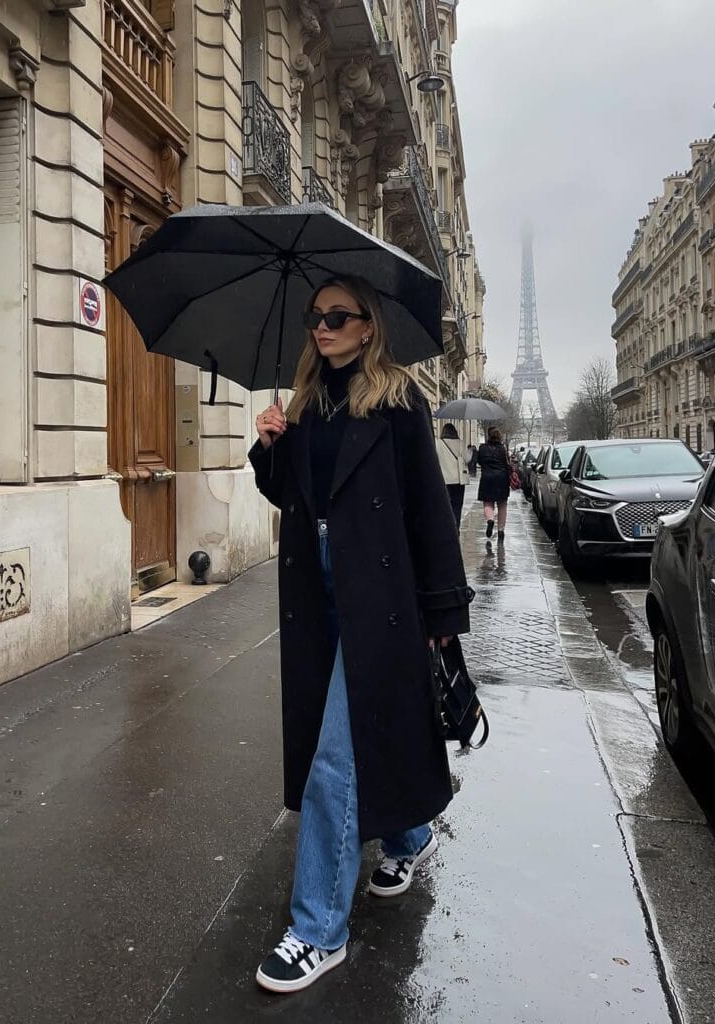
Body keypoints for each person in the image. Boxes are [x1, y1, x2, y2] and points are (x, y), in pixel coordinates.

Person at [249, 275, 471, 994]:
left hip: (381, 597)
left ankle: (317, 930)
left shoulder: (400, 401)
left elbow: (427, 513)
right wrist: (270, 446)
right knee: (352, 736)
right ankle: (407, 834)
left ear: (367, 326)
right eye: (315, 316)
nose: (321, 327)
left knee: (335, 763)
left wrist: (442, 615)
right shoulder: (308, 403)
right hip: (318, 596)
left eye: (336, 316)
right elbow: (288, 493)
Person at [477, 426, 511, 544]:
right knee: (502, 505)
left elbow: (479, 461)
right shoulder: (503, 449)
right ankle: (501, 530)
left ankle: (490, 520)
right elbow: (507, 464)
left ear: (488, 435)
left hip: (487, 478)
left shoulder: (482, 448)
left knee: (487, 502)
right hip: (501, 478)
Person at [435, 423, 468, 528]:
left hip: (443, 480)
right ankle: (456, 527)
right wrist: (470, 451)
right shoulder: (461, 443)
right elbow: (467, 459)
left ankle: (446, 527)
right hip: (458, 480)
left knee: (445, 506)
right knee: (457, 506)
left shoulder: (437, 443)